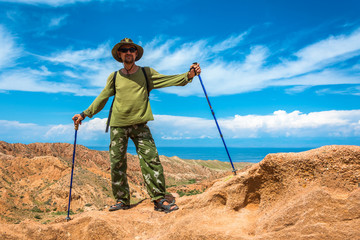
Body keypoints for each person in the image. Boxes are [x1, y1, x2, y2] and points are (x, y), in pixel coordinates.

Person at [72, 38, 201, 213]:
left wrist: (189, 75)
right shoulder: (115, 76)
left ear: (136, 54)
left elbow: (167, 80)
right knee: (117, 163)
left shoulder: (146, 73)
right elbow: (103, 97)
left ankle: (159, 199)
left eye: (131, 49)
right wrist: (84, 114)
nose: (128, 52)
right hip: (118, 125)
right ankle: (122, 200)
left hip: (140, 124)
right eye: (124, 50)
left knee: (151, 160)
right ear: (120, 54)